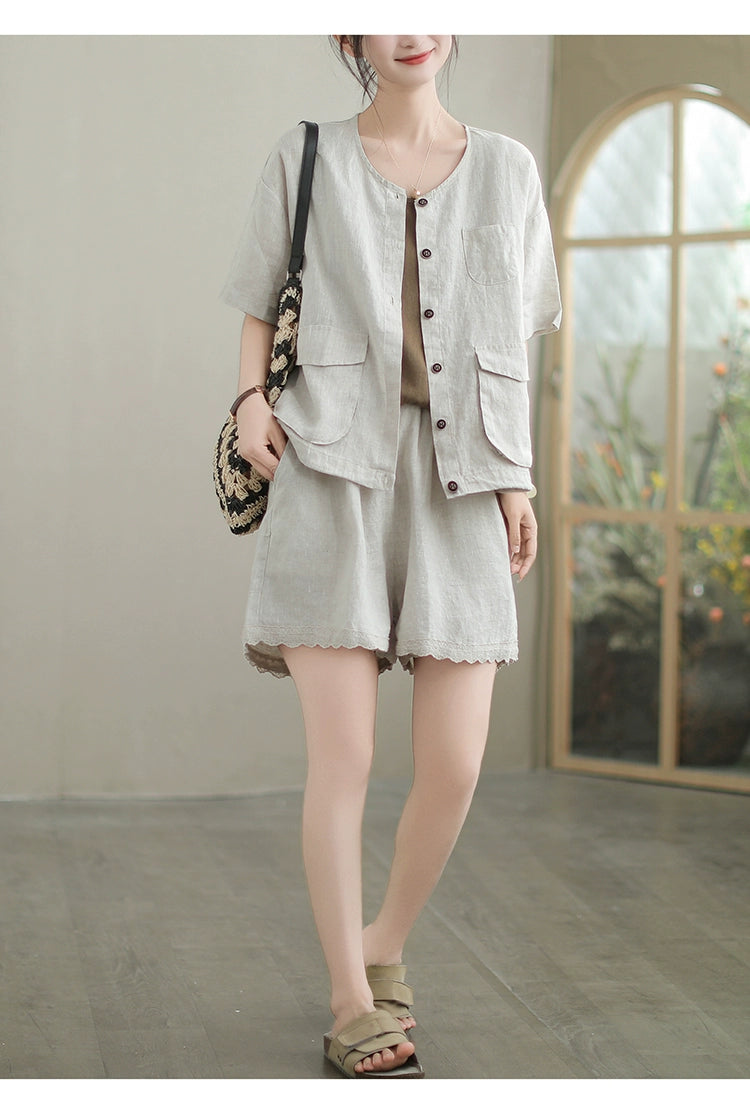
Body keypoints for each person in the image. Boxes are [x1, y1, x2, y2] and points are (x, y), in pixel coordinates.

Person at [220, 35, 561, 1078]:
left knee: (455, 763)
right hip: (331, 471)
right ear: (352, 35)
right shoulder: (307, 154)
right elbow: (258, 298)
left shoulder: (507, 168)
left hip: (465, 479)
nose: (412, 25)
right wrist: (248, 400)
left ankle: (383, 940)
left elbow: (516, 334)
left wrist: (517, 478)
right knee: (347, 758)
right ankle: (349, 999)